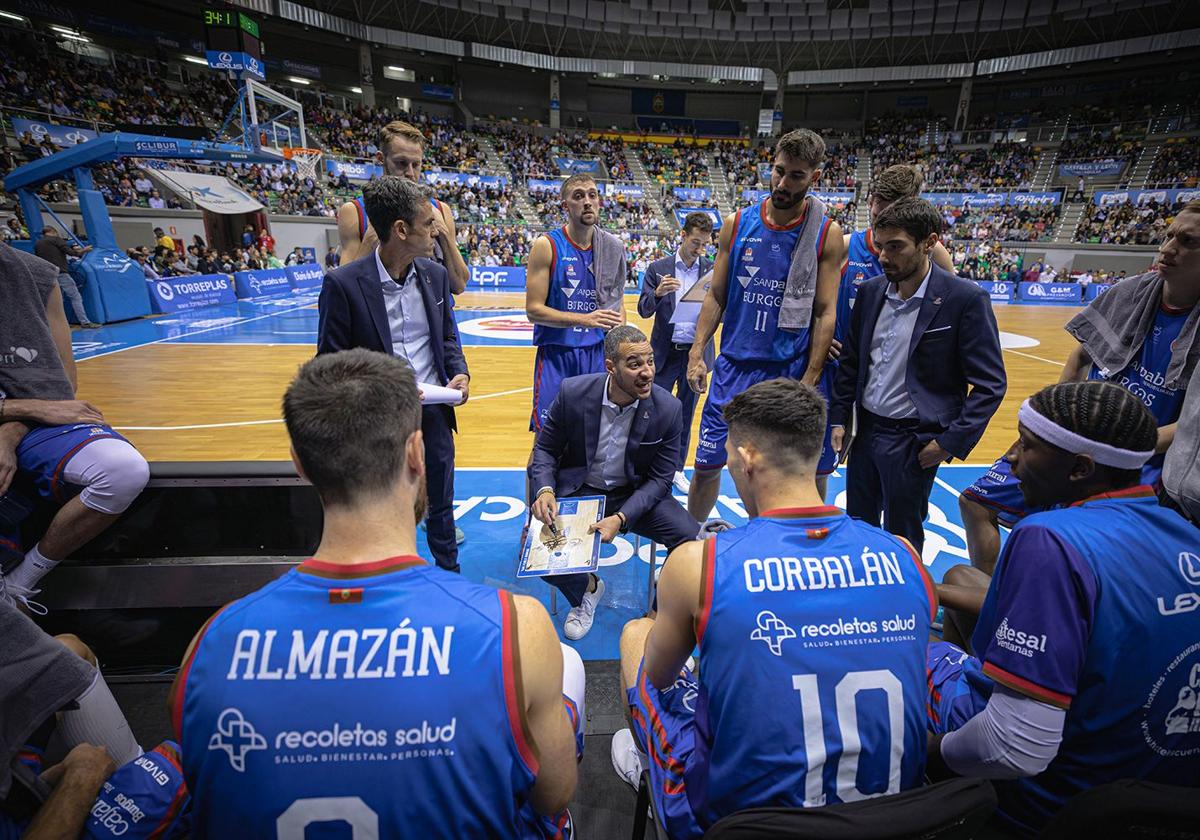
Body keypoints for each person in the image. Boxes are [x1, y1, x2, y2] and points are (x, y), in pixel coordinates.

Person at [170, 349, 581, 835]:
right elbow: (554, 796)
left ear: (299, 464)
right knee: (564, 671)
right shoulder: (516, 626)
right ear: (416, 452)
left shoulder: (210, 646)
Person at [614, 378, 936, 838]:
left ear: (746, 459)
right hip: (891, 814)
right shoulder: (905, 554)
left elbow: (660, 678)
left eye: (728, 454)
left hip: (742, 822)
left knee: (636, 638)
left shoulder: (698, 563)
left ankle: (648, 766)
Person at [927, 381, 1200, 837]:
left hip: (1055, 803)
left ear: (1080, 468)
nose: (1012, 458)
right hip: (1152, 793)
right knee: (960, 580)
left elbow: (1016, 748)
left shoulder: (1050, 538)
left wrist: (930, 752)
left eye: (1027, 446)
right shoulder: (1183, 531)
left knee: (901, 659)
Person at [960, 200, 1200, 573]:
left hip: (1141, 460)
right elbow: (1078, 359)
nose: (1168, 248)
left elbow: (1191, 424)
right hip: (1075, 438)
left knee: (1081, 545)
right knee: (975, 501)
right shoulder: (1129, 292)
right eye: (1169, 235)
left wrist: (1123, 449)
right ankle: (992, 600)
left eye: (1188, 242)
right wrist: (1052, 426)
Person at [829, 198, 1005, 554]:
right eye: (881, 246)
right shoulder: (870, 292)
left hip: (914, 441)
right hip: (865, 433)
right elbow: (851, 362)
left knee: (903, 536)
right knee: (858, 527)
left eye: (896, 247)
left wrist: (948, 443)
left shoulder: (965, 299)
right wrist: (837, 419)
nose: (883, 256)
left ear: (929, 242)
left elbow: (990, 384)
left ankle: (906, 606)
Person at [685, 129, 845, 520]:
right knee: (707, 467)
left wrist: (810, 377)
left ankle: (788, 547)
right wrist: (696, 351)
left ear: (815, 178)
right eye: (779, 171)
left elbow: (826, 311)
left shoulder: (827, 233)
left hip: (788, 370)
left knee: (798, 474)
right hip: (735, 367)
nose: (783, 183)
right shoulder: (737, 223)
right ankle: (685, 542)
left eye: (796, 176)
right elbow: (717, 295)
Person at [317, 176, 469, 574]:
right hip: (377, 420)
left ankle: (448, 576)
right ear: (401, 230)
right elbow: (328, 366)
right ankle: (386, 577)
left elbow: (448, 337)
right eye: (428, 223)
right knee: (382, 509)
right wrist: (380, 389)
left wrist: (459, 374)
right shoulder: (343, 285)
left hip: (434, 412)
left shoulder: (435, 276)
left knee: (442, 505)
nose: (437, 230)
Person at [0, 245, 149, 612]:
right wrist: (16, 409)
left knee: (122, 470)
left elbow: (62, 377)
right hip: (26, 408)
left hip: (31, 416)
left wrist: (12, 427)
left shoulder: (35, 274)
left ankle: (20, 583)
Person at [529, 326, 699, 640]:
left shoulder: (669, 409)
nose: (647, 372)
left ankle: (658, 616)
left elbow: (662, 478)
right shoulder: (573, 392)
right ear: (611, 367)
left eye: (649, 361)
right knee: (540, 555)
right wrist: (545, 489)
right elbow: (545, 449)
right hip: (583, 491)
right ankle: (587, 589)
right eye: (635, 364)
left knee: (692, 542)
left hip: (634, 495)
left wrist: (621, 519)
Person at [524, 173, 627, 431]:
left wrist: (620, 339)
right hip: (558, 354)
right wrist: (585, 319)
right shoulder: (547, 245)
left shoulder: (612, 247)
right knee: (546, 441)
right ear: (565, 205)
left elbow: (617, 304)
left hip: (596, 354)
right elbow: (533, 310)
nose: (587, 202)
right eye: (578, 196)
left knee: (590, 437)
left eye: (593, 195)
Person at [336, 120, 469, 294]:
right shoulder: (355, 212)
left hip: (434, 316)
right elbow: (344, 288)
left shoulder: (441, 210)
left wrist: (443, 233)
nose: (410, 173)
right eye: (401, 163)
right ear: (380, 159)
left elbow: (459, 285)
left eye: (416, 164)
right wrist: (370, 240)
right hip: (384, 316)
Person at [638, 212, 715, 493]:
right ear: (682, 236)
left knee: (685, 414)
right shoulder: (658, 268)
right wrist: (657, 293)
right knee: (652, 411)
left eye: (705, 244)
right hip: (664, 352)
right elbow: (643, 310)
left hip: (695, 355)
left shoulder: (712, 269)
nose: (700, 250)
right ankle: (648, 465)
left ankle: (677, 469)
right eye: (696, 242)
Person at [32, 228, 99, 329]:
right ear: (54, 232)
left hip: (47, 275)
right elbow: (72, 253)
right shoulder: (56, 239)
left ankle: (56, 323)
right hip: (61, 273)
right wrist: (84, 250)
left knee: (56, 300)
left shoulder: (38, 244)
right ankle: (85, 322)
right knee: (75, 296)